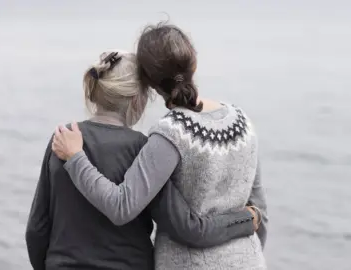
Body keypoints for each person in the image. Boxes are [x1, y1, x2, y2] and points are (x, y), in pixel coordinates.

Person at [52, 23, 268, 270]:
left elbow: (121, 206)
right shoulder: (242, 121)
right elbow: (260, 211)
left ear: (149, 85)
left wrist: (75, 157)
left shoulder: (169, 134)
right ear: (193, 62)